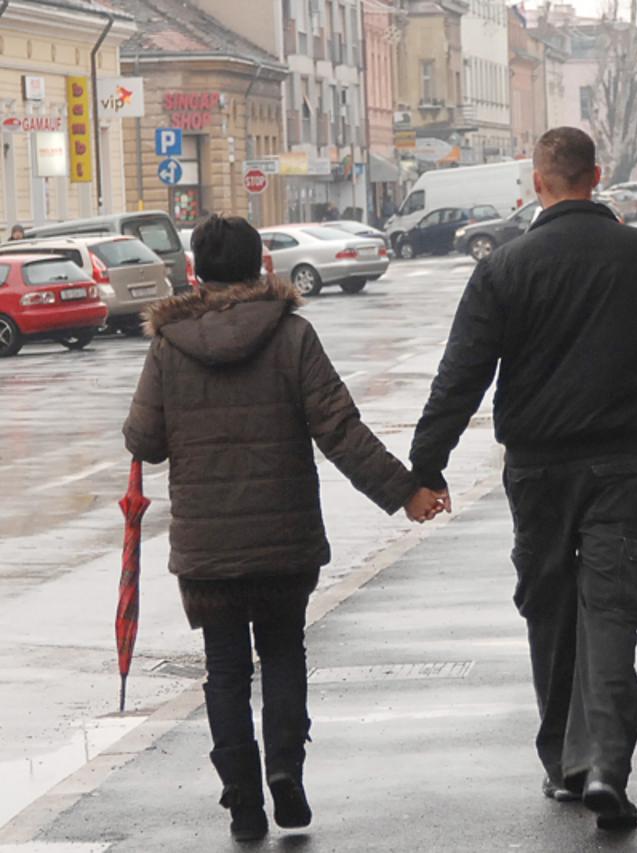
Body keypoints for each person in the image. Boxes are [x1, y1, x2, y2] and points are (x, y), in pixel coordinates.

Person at [408, 127, 637, 832]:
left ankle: (564, 764)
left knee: (549, 604)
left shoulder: (504, 268)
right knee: (611, 607)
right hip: (622, 463)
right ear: (596, 177)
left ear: (538, 184)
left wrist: (424, 468)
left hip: (537, 469)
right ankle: (605, 762)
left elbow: (462, 375)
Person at [123, 215, 438, 842]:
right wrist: (406, 492)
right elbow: (340, 431)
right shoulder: (292, 336)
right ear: (261, 266)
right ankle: (286, 772)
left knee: (226, 670)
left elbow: (145, 441)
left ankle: (242, 800)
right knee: (285, 653)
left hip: (208, 549)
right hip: (285, 540)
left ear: (194, 272)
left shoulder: (168, 346)